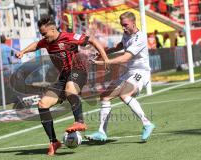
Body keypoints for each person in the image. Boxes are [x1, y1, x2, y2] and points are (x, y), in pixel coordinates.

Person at [16, 14, 108, 156]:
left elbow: (93, 40)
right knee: (42, 104)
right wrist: (23, 51)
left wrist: (105, 58)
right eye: (41, 34)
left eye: (44, 34)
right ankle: (54, 141)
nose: (43, 37)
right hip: (64, 77)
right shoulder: (46, 42)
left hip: (78, 70)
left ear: (53, 30)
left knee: (70, 88)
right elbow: (36, 45)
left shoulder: (68, 37)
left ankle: (79, 121)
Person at [85, 11, 155, 142]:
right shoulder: (126, 34)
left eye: (125, 25)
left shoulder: (140, 38)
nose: (123, 27)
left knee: (125, 94)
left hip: (141, 72)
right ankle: (101, 133)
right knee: (105, 96)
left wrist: (103, 61)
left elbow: (125, 57)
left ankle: (147, 124)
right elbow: (120, 46)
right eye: (122, 25)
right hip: (129, 72)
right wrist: (103, 53)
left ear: (133, 23)